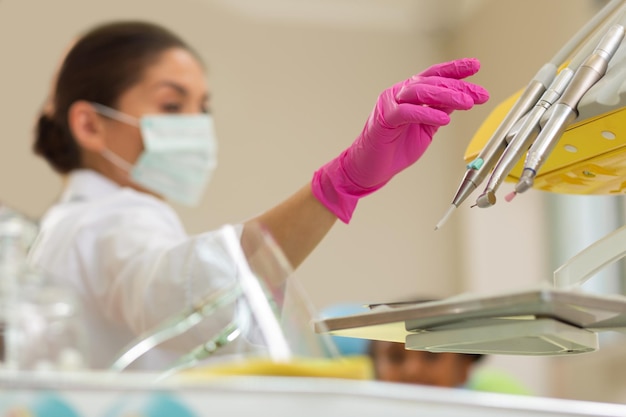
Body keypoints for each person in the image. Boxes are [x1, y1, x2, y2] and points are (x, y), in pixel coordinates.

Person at [27, 20, 489, 371]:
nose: (196, 125)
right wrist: (339, 183)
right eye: (172, 105)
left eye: (201, 108)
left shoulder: (71, 224)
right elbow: (182, 296)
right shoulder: (113, 218)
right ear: (89, 125)